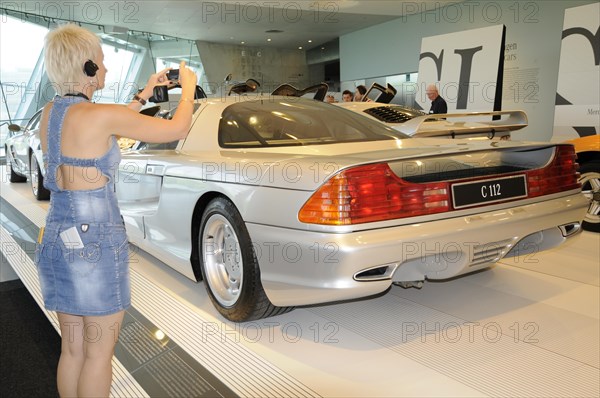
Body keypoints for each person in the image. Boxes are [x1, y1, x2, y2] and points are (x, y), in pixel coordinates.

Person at [36, 24, 197, 398]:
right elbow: (179, 127)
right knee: (99, 354)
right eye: (103, 63)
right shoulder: (100, 116)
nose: (106, 70)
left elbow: (103, 122)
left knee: (73, 349)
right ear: (89, 68)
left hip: (58, 234)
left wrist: (143, 94)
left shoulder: (51, 113)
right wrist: (187, 88)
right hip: (95, 242)